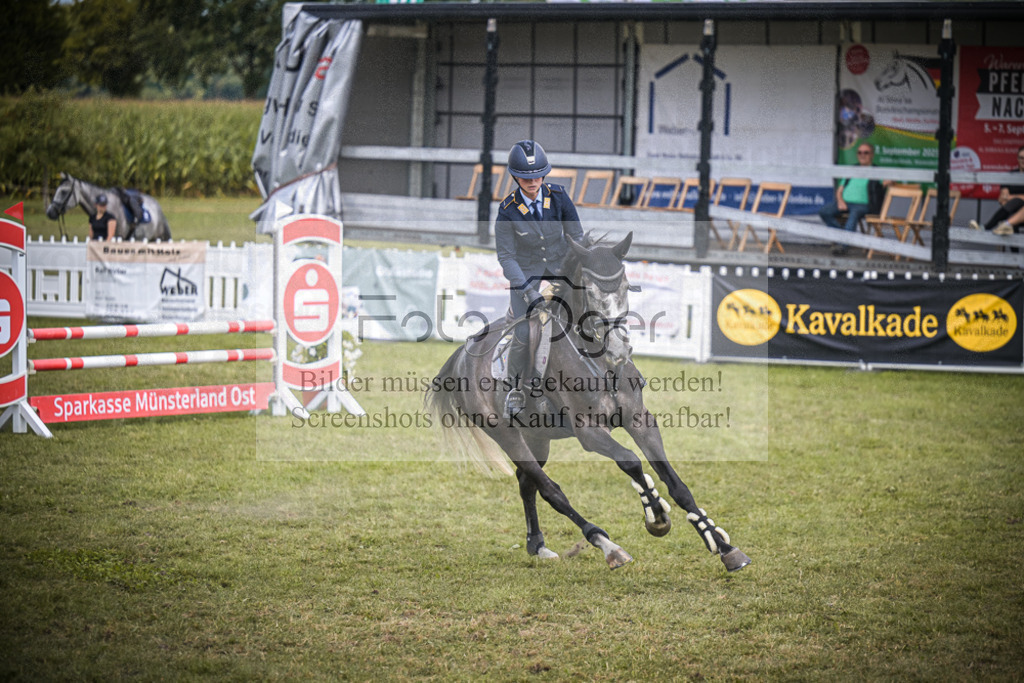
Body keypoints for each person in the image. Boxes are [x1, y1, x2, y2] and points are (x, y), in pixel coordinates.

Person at [494, 140, 584, 418]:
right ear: (515, 177)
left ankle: (621, 371)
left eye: (536, 176)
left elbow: (577, 237)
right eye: (525, 177)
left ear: (544, 175)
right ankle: (516, 389)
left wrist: (572, 274)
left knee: (594, 315)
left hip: (561, 270)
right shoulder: (507, 210)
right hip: (527, 277)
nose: (532, 182)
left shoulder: (558, 197)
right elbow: (507, 257)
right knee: (523, 332)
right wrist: (528, 293)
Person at [819, 142, 887, 256]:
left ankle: (843, 246)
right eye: (859, 153)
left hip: (864, 205)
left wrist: (890, 182)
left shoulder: (877, 171)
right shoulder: (852, 169)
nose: (862, 155)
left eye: (866, 153)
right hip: (845, 203)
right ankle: (843, 235)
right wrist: (840, 201)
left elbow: (889, 182)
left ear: (872, 155)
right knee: (824, 212)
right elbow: (839, 190)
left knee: (854, 214)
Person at [969, 145, 1024, 236]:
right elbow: (1002, 199)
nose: (1023, 160)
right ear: (1017, 159)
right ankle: (1000, 226)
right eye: (1021, 158)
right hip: (1010, 212)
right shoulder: (1010, 176)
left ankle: (985, 227)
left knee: (1016, 202)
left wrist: (1012, 197)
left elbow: (1007, 197)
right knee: (1012, 211)